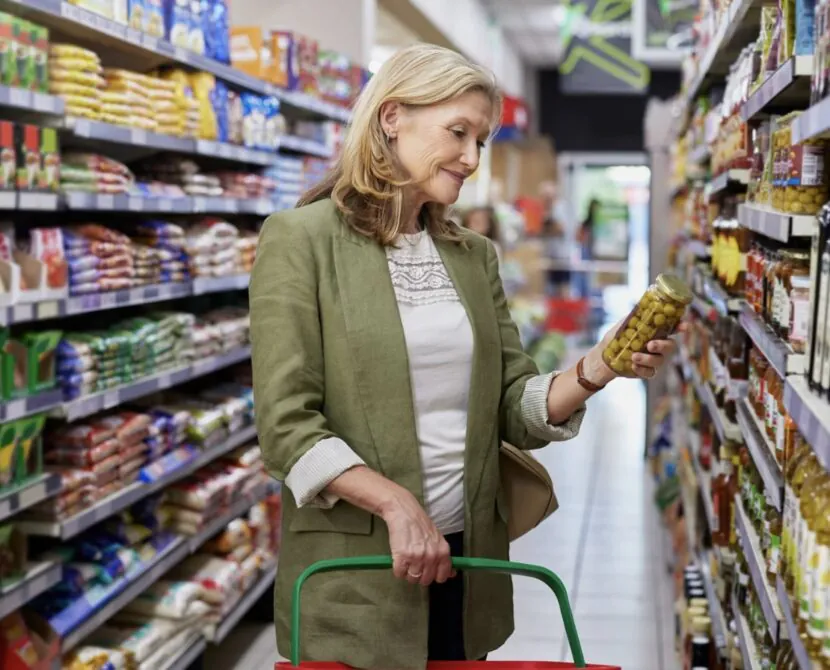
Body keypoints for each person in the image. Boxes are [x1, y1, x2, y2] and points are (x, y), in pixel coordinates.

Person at [249, 44, 676, 670]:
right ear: (392, 116)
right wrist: (396, 505)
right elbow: (286, 426)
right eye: (459, 132)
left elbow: (511, 402)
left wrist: (599, 368)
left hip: (464, 560)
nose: (473, 158)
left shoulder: (471, 255)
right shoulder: (301, 241)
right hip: (359, 568)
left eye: (483, 139)